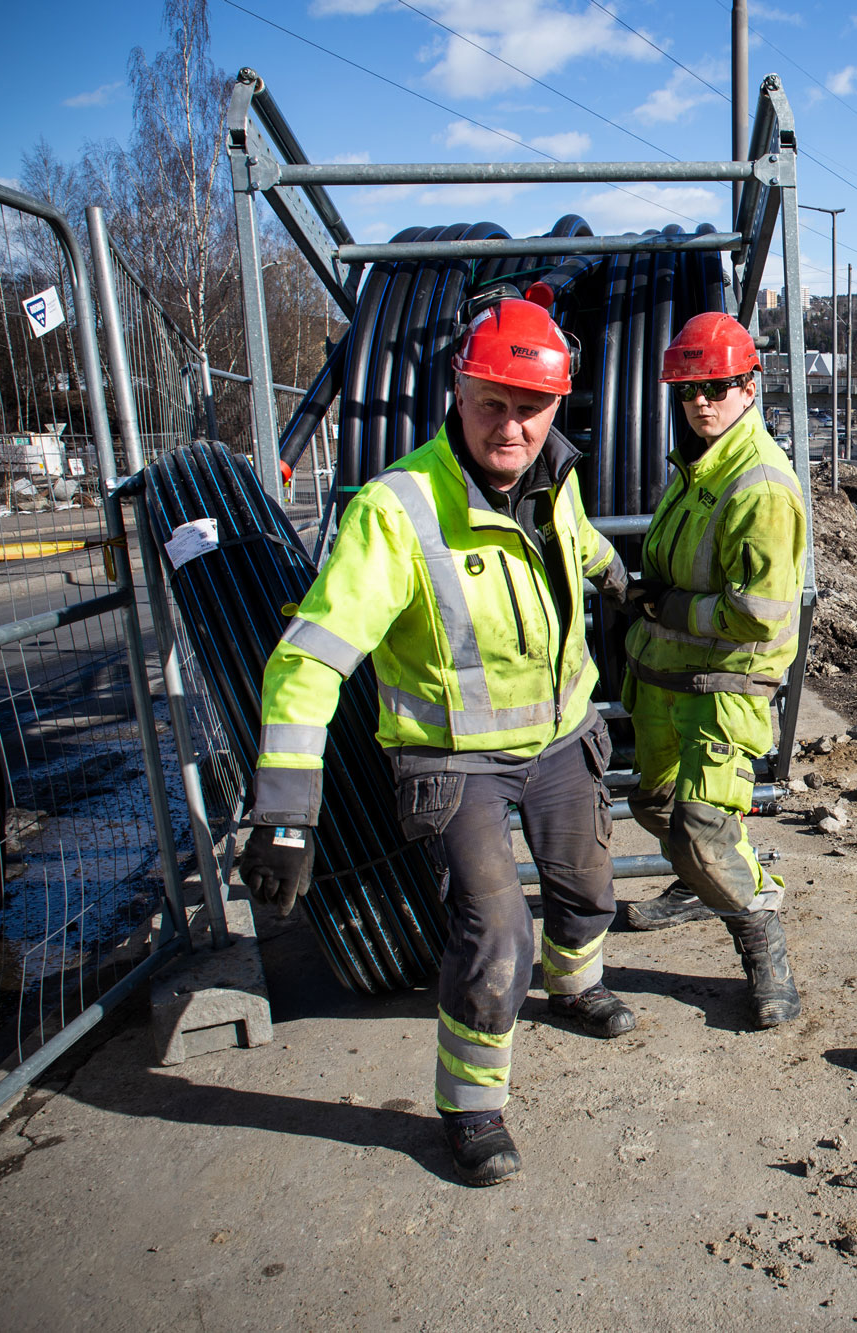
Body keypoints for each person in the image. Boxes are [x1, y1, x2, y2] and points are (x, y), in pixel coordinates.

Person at [236, 293, 637, 1188]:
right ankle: (471, 1104)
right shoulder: (398, 511)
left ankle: (577, 985)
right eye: (492, 401)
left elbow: (576, 545)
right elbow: (308, 660)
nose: (511, 424)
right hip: (456, 759)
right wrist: (287, 811)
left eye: (531, 407)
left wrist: (621, 586)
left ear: (556, 408)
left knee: (588, 886)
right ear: (458, 392)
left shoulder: (552, 476)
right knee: (496, 931)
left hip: (565, 736)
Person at [616, 311, 807, 1030]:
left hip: (723, 685)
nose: (701, 400)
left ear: (750, 386)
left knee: (701, 829)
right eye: (690, 387)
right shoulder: (701, 460)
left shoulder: (758, 485)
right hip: (668, 675)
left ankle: (763, 943)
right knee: (657, 806)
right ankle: (704, 882)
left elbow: (759, 614)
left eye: (718, 386)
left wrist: (672, 607)